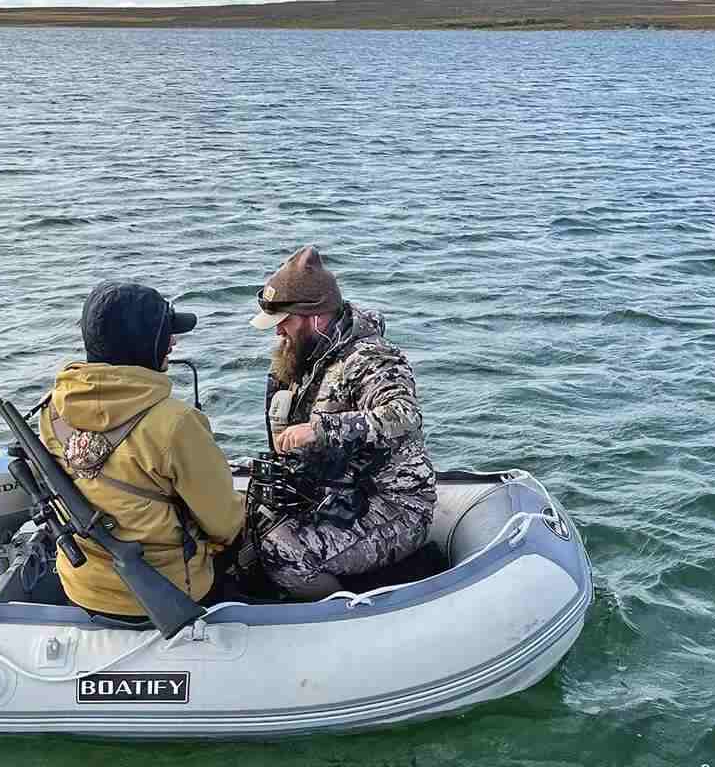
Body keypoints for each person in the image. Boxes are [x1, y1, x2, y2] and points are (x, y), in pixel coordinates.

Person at [39, 280, 244, 619]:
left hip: (80, 584)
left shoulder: (53, 409)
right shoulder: (176, 423)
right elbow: (224, 523)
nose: (173, 343)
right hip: (170, 592)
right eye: (166, 335)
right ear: (145, 346)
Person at [248, 245, 437, 599]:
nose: (278, 333)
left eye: (284, 323)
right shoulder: (309, 357)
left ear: (316, 318)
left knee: (284, 555)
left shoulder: (372, 358)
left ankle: (352, 612)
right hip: (334, 496)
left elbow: (404, 415)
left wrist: (320, 430)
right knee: (250, 531)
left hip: (393, 505)